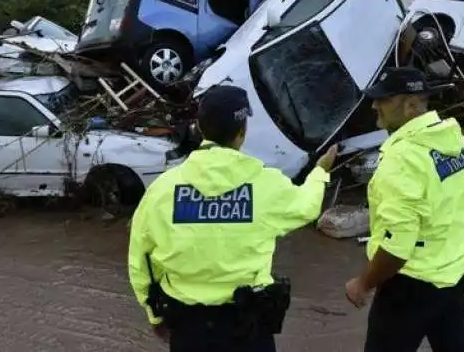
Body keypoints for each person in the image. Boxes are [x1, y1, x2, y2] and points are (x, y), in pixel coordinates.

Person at [128, 84, 338, 352]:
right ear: (242, 133)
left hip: (189, 329)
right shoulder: (266, 184)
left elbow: (141, 260)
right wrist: (320, 172)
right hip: (248, 327)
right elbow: (307, 207)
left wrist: (154, 314)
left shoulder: (162, 190)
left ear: (201, 129)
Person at [344, 66, 464, 352]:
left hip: (410, 285)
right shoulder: (461, 145)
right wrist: (461, 246)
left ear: (410, 106)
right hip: (454, 273)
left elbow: (398, 247)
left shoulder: (401, 161)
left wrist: (363, 283)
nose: (374, 106)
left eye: (383, 100)